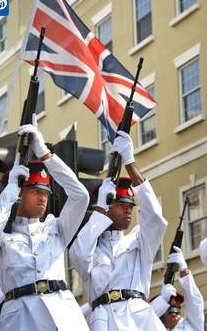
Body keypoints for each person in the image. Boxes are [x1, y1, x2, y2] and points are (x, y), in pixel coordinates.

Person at [0, 114, 90, 331]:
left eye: (45, 193)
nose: (42, 197)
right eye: (35, 191)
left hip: (62, 318)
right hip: (21, 320)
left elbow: (81, 196)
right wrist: (10, 190)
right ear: (21, 195)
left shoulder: (57, 227)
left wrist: (45, 154)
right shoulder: (3, 239)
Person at [69, 131, 168, 330]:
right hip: (104, 321)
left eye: (130, 206)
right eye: (121, 205)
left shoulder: (139, 240)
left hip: (139, 320)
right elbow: (77, 255)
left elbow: (156, 219)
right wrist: (99, 211)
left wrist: (130, 163)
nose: (128, 210)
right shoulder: (92, 247)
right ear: (106, 206)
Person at [150, 246, 204, 330]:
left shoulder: (189, 326)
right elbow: (143, 318)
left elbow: (195, 302)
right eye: (169, 311)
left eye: (177, 310)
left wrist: (183, 269)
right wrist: (161, 301)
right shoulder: (150, 326)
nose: (175, 314)